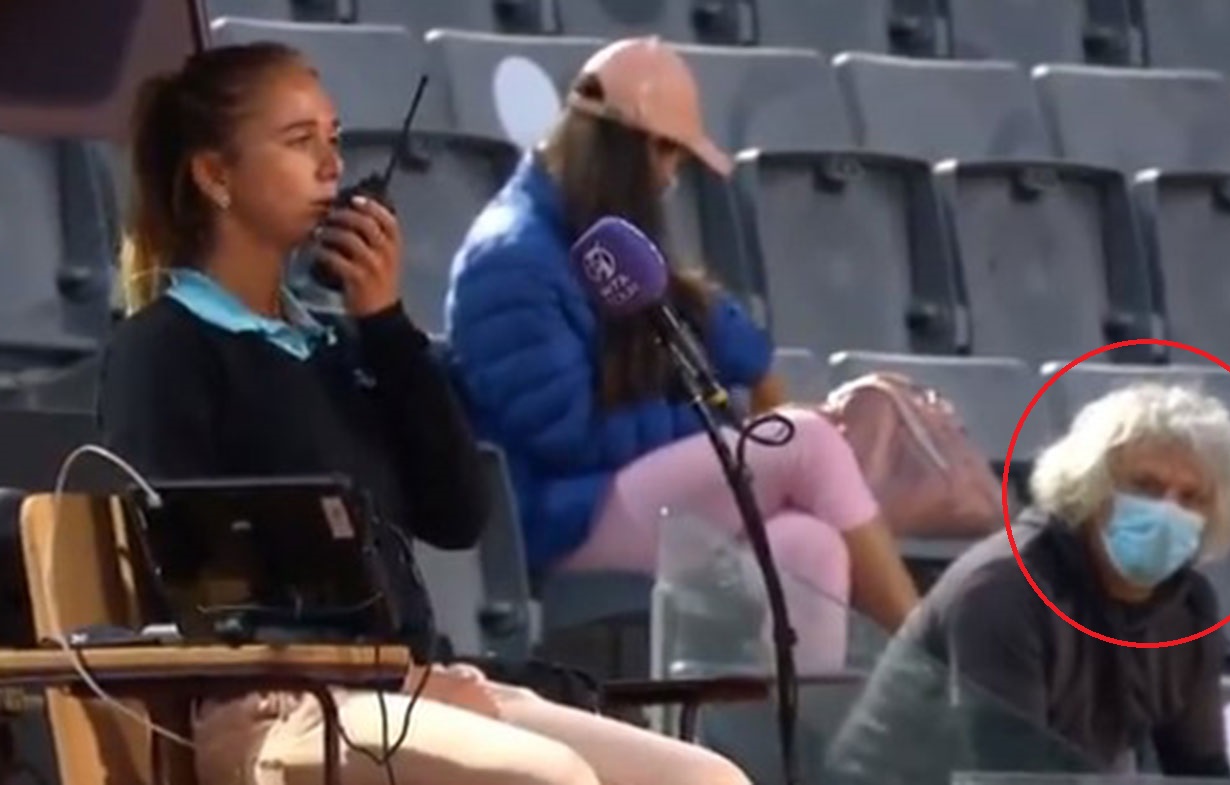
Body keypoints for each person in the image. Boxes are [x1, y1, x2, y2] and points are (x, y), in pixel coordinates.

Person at [100, 42, 749, 785]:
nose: (330, 166)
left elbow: (455, 513)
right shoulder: (165, 347)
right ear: (215, 174)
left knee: (706, 779)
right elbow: (190, 573)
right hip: (271, 705)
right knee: (551, 778)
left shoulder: (338, 345)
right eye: (298, 141)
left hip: (399, 683)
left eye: (334, 139)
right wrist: (375, 672)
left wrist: (385, 325)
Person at [444, 36, 919, 673]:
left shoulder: (603, 232)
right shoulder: (510, 259)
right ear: (618, 144)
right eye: (665, 150)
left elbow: (721, 330)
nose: (671, 175)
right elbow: (564, 437)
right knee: (802, 442)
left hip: (620, 495)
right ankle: (931, 666)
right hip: (560, 519)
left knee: (809, 548)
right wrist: (711, 428)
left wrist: (759, 376)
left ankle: (786, 763)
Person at [833, 383, 1230, 778]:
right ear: (1092, 487)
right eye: (1146, 487)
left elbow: (1200, 767)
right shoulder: (1003, 588)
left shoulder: (1188, 610)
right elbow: (1005, 768)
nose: (1168, 511)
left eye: (1191, 498)